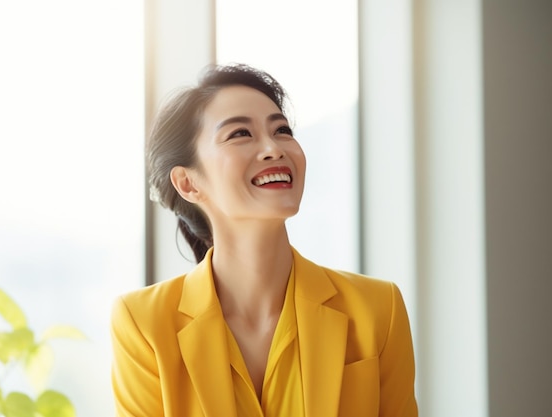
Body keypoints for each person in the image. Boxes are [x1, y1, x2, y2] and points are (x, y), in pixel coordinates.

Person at [110, 63, 418, 417]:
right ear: (188, 183)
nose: (274, 148)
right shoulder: (143, 322)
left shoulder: (379, 308)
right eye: (240, 134)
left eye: (282, 130)